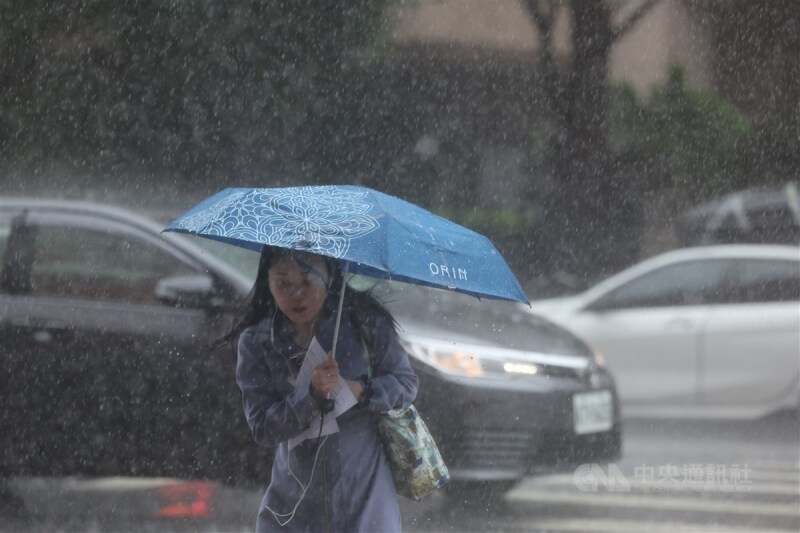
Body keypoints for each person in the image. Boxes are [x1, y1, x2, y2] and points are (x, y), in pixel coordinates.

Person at [231, 245, 419, 532]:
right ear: (267, 282)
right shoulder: (257, 342)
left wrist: (361, 391)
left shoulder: (364, 323)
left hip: (364, 498)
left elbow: (405, 383)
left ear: (330, 278)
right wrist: (311, 396)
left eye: (308, 280)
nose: (296, 294)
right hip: (293, 507)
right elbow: (263, 427)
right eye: (283, 282)